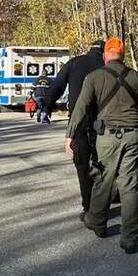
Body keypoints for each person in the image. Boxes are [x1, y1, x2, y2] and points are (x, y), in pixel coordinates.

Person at [65, 37, 138, 254]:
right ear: (122, 55)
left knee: (103, 181)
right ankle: (130, 237)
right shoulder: (136, 77)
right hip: (133, 136)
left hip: (106, 137)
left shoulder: (94, 77)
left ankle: (97, 223)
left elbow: (80, 108)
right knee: (129, 185)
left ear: (106, 55)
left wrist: (70, 135)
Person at [43, 40, 105, 221]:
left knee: (82, 164)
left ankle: (88, 207)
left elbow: (56, 86)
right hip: (103, 120)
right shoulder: (106, 64)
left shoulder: (75, 62)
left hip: (79, 122)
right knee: (105, 162)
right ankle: (107, 197)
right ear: (103, 52)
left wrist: (47, 106)